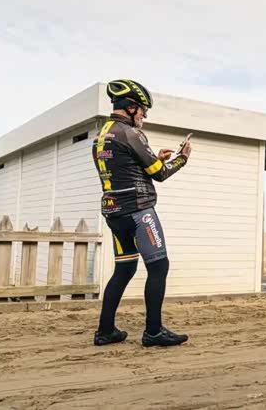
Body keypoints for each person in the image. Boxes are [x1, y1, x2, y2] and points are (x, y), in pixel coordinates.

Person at [92, 79, 192, 347]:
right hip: (139, 211)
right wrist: (182, 158)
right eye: (143, 110)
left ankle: (105, 331)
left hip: (113, 213)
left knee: (124, 269)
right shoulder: (131, 134)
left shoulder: (102, 136)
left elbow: (125, 169)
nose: (144, 116)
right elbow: (159, 174)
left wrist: (156, 157)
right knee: (159, 266)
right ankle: (153, 332)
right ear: (131, 107)